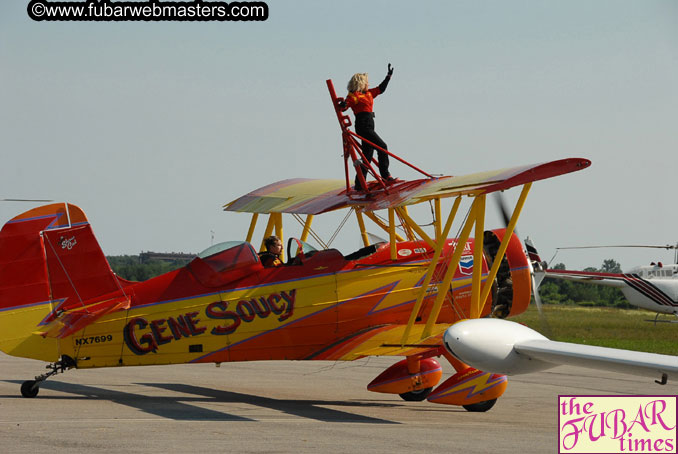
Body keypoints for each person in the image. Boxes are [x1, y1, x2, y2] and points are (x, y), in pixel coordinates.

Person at [340, 64, 396, 190]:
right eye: (367, 82)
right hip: (363, 126)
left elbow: (381, 89)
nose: (368, 85)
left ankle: (359, 183)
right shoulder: (355, 96)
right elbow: (346, 105)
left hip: (370, 124)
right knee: (382, 146)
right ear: (361, 83)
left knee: (367, 155)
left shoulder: (369, 94)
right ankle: (385, 175)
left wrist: (388, 76)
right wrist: (343, 105)